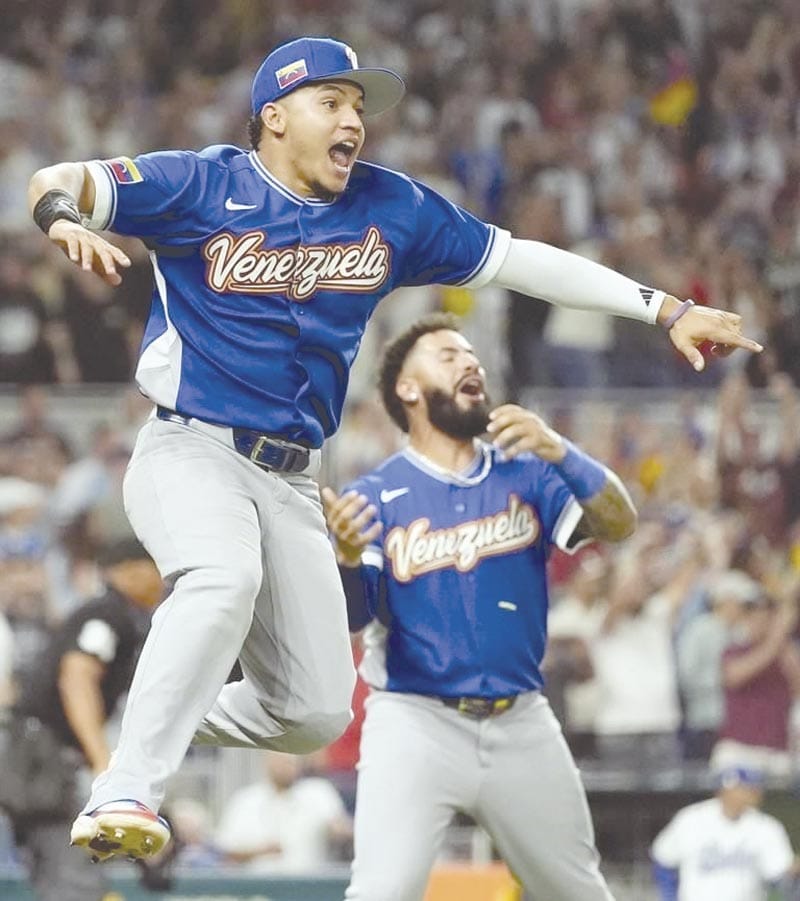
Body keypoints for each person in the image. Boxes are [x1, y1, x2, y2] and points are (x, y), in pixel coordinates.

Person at [26, 34, 763, 863]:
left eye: (359, 107)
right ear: (273, 116)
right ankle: (126, 783)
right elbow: (53, 182)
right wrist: (61, 220)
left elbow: (518, 258)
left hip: (293, 477)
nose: (354, 120)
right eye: (331, 102)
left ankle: (159, 694)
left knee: (317, 709)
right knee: (223, 576)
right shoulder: (200, 182)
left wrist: (664, 308)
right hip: (189, 448)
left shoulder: (393, 207)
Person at [321, 312, 639, 900]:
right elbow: (355, 619)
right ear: (407, 390)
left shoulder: (526, 471)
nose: (470, 362)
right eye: (447, 355)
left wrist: (563, 451)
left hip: (522, 720)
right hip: (417, 722)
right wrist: (344, 556)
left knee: (580, 893)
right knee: (379, 893)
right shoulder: (375, 496)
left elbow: (619, 521)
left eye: (472, 355)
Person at [0, 539, 162, 901]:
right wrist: (101, 759)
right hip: (42, 759)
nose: (162, 580)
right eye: (155, 569)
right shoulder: (108, 614)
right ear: (130, 571)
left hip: (37, 755)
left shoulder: (119, 614)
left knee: (62, 873)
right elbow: (77, 675)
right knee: (71, 878)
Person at [650, 765, 795, 901]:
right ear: (725, 791)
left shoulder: (766, 826)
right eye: (745, 788)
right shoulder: (691, 819)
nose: (753, 793)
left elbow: (779, 873)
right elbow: (663, 858)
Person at [213, 750, 352, 873]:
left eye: (290, 762)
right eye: (279, 760)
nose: (285, 766)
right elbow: (226, 850)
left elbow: (340, 828)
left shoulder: (318, 792)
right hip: (259, 888)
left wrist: (339, 830)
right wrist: (259, 851)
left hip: (308, 887)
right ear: (267, 762)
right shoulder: (246, 799)